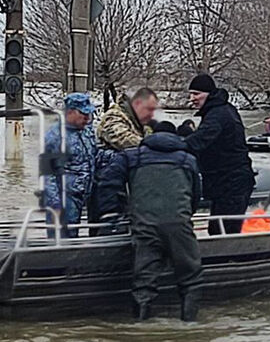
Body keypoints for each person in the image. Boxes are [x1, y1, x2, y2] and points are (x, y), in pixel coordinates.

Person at [96, 120, 203, 321]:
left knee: (143, 282)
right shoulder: (187, 160)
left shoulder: (131, 156)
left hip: (144, 225)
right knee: (191, 278)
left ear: (150, 135)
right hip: (179, 225)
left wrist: (112, 213)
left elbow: (107, 182)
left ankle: (141, 327)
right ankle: (190, 325)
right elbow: (196, 194)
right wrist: (186, 215)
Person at [184, 73, 255, 235]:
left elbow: (199, 141)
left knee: (223, 231)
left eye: (196, 94)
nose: (192, 98)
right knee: (217, 228)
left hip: (232, 182)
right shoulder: (221, 109)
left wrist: (170, 145)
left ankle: (230, 253)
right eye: (191, 94)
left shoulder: (218, 115)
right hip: (225, 182)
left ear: (208, 94)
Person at [88, 88, 158, 229]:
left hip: (125, 184)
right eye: (149, 109)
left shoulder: (141, 124)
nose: (152, 114)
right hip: (106, 182)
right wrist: (152, 145)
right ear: (137, 104)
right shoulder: (114, 117)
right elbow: (122, 138)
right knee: (105, 226)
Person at [44, 92, 97, 238]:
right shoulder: (55, 136)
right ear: (70, 112)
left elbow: (94, 156)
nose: (87, 118)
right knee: (63, 238)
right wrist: (54, 204)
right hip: (64, 197)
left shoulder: (87, 132)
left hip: (84, 195)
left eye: (89, 114)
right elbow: (46, 174)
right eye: (83, 114)